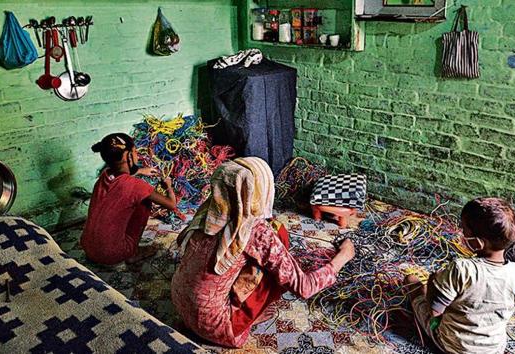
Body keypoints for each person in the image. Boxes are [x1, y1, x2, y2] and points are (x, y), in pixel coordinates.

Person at [171, 157, 355, 348]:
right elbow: (304, 287)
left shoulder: (209, 212)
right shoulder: (256, 231)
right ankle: (249, 315)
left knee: (269, 238)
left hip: (180, 306)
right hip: (217, 327)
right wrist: (343, 256)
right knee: (280, 234)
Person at [405, 197, 515, 354]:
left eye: (464, 230)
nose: (462, 234)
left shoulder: (461, 269)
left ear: (478, 243)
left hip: (452, 346)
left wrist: (432, 282)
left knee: (411, 280)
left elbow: (435, 311)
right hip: (494, 349)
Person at [80, 133, 177, 265]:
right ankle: (132, 252)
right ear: (128, 156)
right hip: (111, 255)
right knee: (145, 201)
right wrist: (168, 187)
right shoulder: (136, 186)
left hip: (87, 247)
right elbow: (171, 204)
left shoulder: (104, 176)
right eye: (135, 152)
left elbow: (120, 172)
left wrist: (141, 171)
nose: (137, 155)